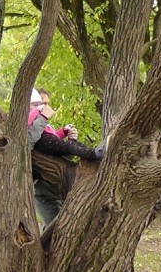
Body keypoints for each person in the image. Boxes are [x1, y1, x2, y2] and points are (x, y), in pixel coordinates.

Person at [27, 88, 104, 226]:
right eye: (39, 103)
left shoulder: (44, 124)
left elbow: (57, 149)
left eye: (45, 103)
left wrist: (68, 137)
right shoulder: (32, 120)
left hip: (55, 183)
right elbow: (32, 139)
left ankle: (93, 153)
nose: (44, 106)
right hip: (42, 186)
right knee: (54, 225)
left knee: (59, 223)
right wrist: (42, 115)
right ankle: (93, 154)